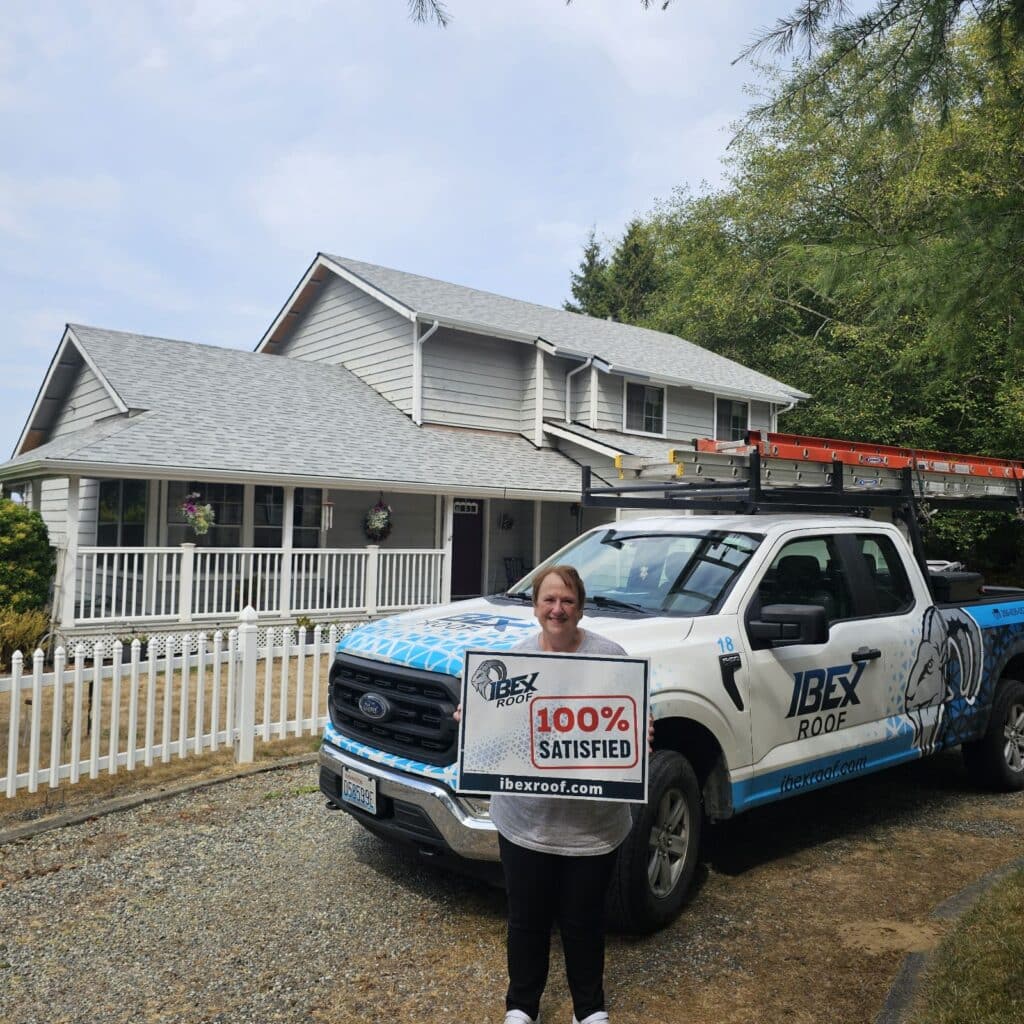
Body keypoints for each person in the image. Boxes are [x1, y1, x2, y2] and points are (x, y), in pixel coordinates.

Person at [464, 564, 635, 1024]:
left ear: (580, 608)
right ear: (536, 606)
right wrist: (475, 722)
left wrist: (643, 730)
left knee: (583, 921)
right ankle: (522, 1007)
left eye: (567, 601)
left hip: (592, 826)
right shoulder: (517, 659)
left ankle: (589, 1009)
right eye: (549, 600)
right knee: (526, 921)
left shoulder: (611, 656)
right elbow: (497, 729)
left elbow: (634, 720)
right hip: (525, 822)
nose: (557, 609)